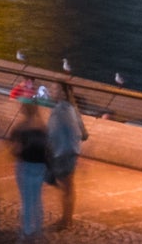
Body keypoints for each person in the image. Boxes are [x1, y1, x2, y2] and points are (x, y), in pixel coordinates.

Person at [7, 97, 51, 235]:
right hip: (40, 167)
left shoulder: (20, 128)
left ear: (24, 110)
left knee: (26, 199)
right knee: (37, 197)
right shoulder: (43, 127)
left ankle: (26, 230)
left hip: (25, 166)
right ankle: (38, 227)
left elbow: (14, 148)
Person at [47, 87, 87, 225]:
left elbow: (53, 133)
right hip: (70, 153)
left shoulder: (60, 110)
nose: (51, 91)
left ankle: (66, 220)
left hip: (62, 153)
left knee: (65, 187)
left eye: (54, 89)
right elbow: (83, 134)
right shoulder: (72, 109)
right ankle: (67, 218)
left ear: (62, 93)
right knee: (68, 186)